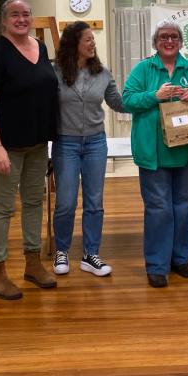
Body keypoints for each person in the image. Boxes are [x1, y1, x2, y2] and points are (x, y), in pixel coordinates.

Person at [0, 0, 59, 300]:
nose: (21, 19)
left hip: (37, 144)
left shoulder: (41, 48)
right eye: (15, 15)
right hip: (7, 145)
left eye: (26, 14)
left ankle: (33, 264)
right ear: (4, 20)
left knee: (34, 202)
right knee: (3, 207)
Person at [123, 20, 188, 288]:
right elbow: (127, 100)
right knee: (159, 209)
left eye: (173, 36)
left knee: (184, 207)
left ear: (180, 41)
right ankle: (157, 265)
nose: (169, 41)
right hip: (154, 153)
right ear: (155, 42)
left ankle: (180, 259)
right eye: (163, 37)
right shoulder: (143, 69)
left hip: (185, 151)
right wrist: (155, 95)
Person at [52, 21, 124, 277]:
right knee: (66, 202)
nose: (93, 43)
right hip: (65, 143)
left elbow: (118, 103)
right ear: (74, 43)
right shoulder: (55, 72)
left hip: (95, 143)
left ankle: (90, 254)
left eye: (93, 39)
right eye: (88, 39)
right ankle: (62, 251)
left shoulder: (102, 73)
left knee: (94, 202)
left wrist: (148, 98)